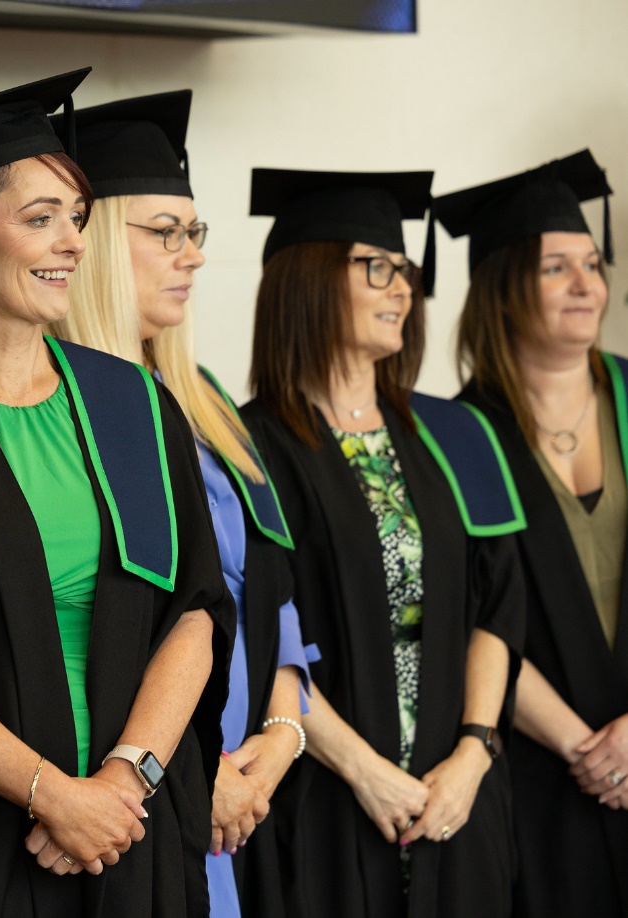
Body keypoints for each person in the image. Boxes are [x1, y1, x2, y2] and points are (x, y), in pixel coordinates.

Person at [0, 71, 235, 917]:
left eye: (76, 217)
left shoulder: (129, 400)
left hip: (135, 821)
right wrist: (52, 797)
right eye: (40, 219)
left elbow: (194, 609)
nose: (71, 241)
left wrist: (119, 781)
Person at [49, 91, 313, 918]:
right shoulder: (56, 404)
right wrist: (199, 772)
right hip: (146, 799)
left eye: (194, 233)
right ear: (86, 242)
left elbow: (274, 600)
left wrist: (276, 744)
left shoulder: (205, 404)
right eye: (163, 232)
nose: (191, 255)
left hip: (246, 793)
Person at [239, 169, 525, 918]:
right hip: (326, 803)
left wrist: (473, 752)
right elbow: (265, 635)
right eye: (377, 267)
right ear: (305, 277)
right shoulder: (245, 447)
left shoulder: (457, 432)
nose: (401, 288)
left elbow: (499, 605)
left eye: (406, 271)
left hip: (456, 802)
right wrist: (362, 770)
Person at [436, 149, 628, 916]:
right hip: (541, 772)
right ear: (504, 285)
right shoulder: (458, 434)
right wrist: (590, 750)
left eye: (592, 264)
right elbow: (471, 616)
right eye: (557, 269)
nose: (587, 287)